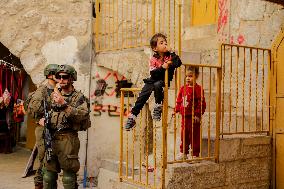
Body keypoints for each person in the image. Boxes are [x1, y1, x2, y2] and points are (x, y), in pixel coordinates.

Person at [41, 64, 91, 189]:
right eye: (58, 77)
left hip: (68, 139)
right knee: (48, 176)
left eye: (65, 77)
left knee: (68, 177)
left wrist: (64, 104)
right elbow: (44, 111)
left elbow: (83, 115)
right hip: (51, 138)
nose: (61, 79)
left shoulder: (78, 97)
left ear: (71, 78)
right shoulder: (53, 95)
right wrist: (42, 120)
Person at [125, 33, 182, 130]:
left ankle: (157, 106)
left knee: (158, 84)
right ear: (155, 48)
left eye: (165, 42)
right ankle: (133, 116)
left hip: (164, 80)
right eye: (161, 43)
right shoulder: (153, 59)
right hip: (153, 79)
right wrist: (163, 67)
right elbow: (153, 74)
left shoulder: (170, 56)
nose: (165, 44)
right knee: (143, 94)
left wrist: (172, 52)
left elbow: (178, 63)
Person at [24, 64, 59, 189]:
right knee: (45, 159)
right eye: (57, 74)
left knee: (52, 160)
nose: (60, 76)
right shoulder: (42, 91)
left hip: (55, 129)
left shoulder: (58, 90)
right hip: (43, 130)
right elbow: (32, 109)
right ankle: (39, 184)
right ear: (50, 75)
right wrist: (39, 120)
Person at [174, 66, 206, 160]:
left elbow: (201, 103)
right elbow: (179, 100)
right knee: (184, 135)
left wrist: (197, 114)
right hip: (184, 116)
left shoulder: (198, 89)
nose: (188, 78)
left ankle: (195, 154)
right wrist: (176, 109)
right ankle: (183, 152)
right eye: (187, 76)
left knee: (194, 135)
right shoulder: (183, 88)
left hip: (193, 117)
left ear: (196, 76)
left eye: (191, 76)